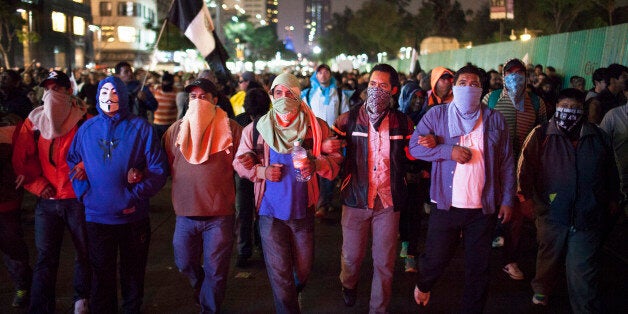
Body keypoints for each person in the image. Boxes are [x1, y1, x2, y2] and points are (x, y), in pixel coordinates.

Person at [409, 65, 515, 313]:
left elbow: (507, 162)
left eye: (475, 83)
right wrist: (448, 151)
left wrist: (508, 199)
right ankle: (424, 284)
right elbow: (415, 147)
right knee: (435, 259)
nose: (469, 87)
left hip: (483, 208)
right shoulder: (437, 115)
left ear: (482, 89)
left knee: (479, 268)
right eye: (463, 82)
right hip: (446, 205)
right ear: (454, 87)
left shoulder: (494, 119)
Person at [233, 73, 342, 313]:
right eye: (278, 92)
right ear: (271, 95)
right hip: (269, 213)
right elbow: (239, 163)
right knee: (280, 274)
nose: (284, 98)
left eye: (289, 92)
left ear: (298, 95)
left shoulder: (316, 128)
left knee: (302, 270)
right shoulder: (256, 130)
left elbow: (335, 164)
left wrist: (317, 163)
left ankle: (293, 293)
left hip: (303, 212)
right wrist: (262, 171)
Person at [67, 76, 169, 313]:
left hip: (133, 218)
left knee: (133, 274)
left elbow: (158, 169)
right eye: (104, 92)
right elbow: (71, 162)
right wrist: (84, 194)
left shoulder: (141, 128)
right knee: (101, 276)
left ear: (123, 96)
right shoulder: (87, 128)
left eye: (114, 92)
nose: (109, 97)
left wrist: (135, 194)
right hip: (97, 218)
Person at [518, 88, 620, 311]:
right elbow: (524, 169)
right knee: (548, 257)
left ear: (583, 110)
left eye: (575, 108)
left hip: (587, 214)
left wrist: (613, 198)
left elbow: (611, 171)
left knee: (582, 268)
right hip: (551, 212)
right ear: (556, 108)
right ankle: (542, 288)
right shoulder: (541, 134)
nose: (569, 112)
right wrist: (524, 199)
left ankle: (584, 308)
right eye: (565, 107)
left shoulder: (598, 136)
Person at [333, 64, 414, 312]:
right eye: (372, 85)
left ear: (393, 90)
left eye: (383, 86)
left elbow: (413, 156)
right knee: (351, 257)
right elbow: (333, 151)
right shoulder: (348, 119)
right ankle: (349, 284)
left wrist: (430, 145)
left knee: (385, 262)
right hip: (356, 199)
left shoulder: (403, 122)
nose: (376, 90)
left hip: (388, 202)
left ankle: (378, 308)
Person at [12, 70, 91, 313]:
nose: (52, 94)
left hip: (77, 199)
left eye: (57, 88)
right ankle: (41, 306)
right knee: (46, 257)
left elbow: (96, 153)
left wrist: (83, 168)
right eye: (48, 89)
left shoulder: (84, 120)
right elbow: (21, 160)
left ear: (69, 91)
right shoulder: (33, 121)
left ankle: (82, 300)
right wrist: (37, 184)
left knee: (83, 253)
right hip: (47, 202)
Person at [163, 78, 242, 312]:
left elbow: (243, 164)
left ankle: (209, 307)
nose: (198, 101)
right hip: (185, 215)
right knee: (184, 262)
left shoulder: (232, 129)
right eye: (193, 97)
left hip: (219, 215)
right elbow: (167, 162)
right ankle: (201, 286)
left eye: (204, 97)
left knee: (216, 270)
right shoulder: (175, 130)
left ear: (215, 100)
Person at [482, 58, 547, 280]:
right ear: (503, 77)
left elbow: (542, 134)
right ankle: (481, 257)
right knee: (488, 212)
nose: (516, 77)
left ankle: (510, 260)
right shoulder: (490, 99)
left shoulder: (537, 103)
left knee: (517, 217)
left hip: (522, 169)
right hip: (493, 166)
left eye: (520, 73)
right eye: (511, 73)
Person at [301, 64, 351, 218]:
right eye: (320, 72)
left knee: (328, 169)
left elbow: (345, 116)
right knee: (312, 169)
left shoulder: (340, 94)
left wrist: (341, 137)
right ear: (315, 75)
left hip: (331, 138)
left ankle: (324, 203)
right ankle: (317, 202)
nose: (323, 75)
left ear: (330, 74)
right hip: (312, 138)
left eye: (326, 72)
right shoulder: (308, 94)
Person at [232, 88, 271, 268]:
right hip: (255, 174)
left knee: (246, 213)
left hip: (252, 175)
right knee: (254, 212)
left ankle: (246, 250)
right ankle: (253, 249)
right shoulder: (266, 122)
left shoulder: (238, 122)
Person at [0, 112, 32, 308]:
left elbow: (29, 154)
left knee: (12, 246)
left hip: (6, 200)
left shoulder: (11, 125)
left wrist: (25, 172)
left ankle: (23, 285)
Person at [152, 71, 178, 139]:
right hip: (157, 124)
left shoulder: (176, 92)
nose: (166, 83)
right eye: (164, 81)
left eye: (168, 81)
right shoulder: (157, 89)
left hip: (170, 125)